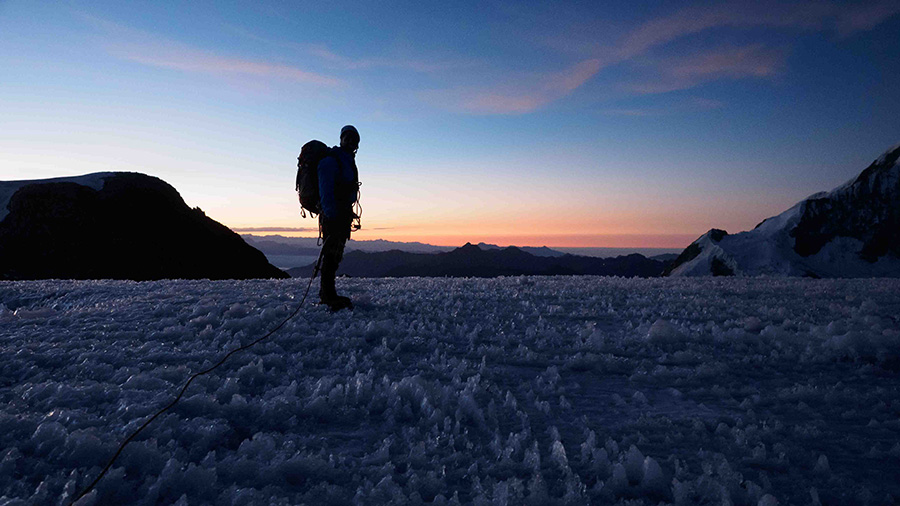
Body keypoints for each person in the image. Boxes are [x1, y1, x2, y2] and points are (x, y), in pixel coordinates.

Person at [317, 125, 360, 311]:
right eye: (347, 138)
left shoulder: (346, 160)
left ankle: (328, 292)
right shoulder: (332, 160)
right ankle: (327, 294)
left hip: (341, 214)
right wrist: (330, 212)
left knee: (335, 254)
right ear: (341, 139)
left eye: (354, 139)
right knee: (331, 254)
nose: (351, 142)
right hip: (333, 214)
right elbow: (325, 188)